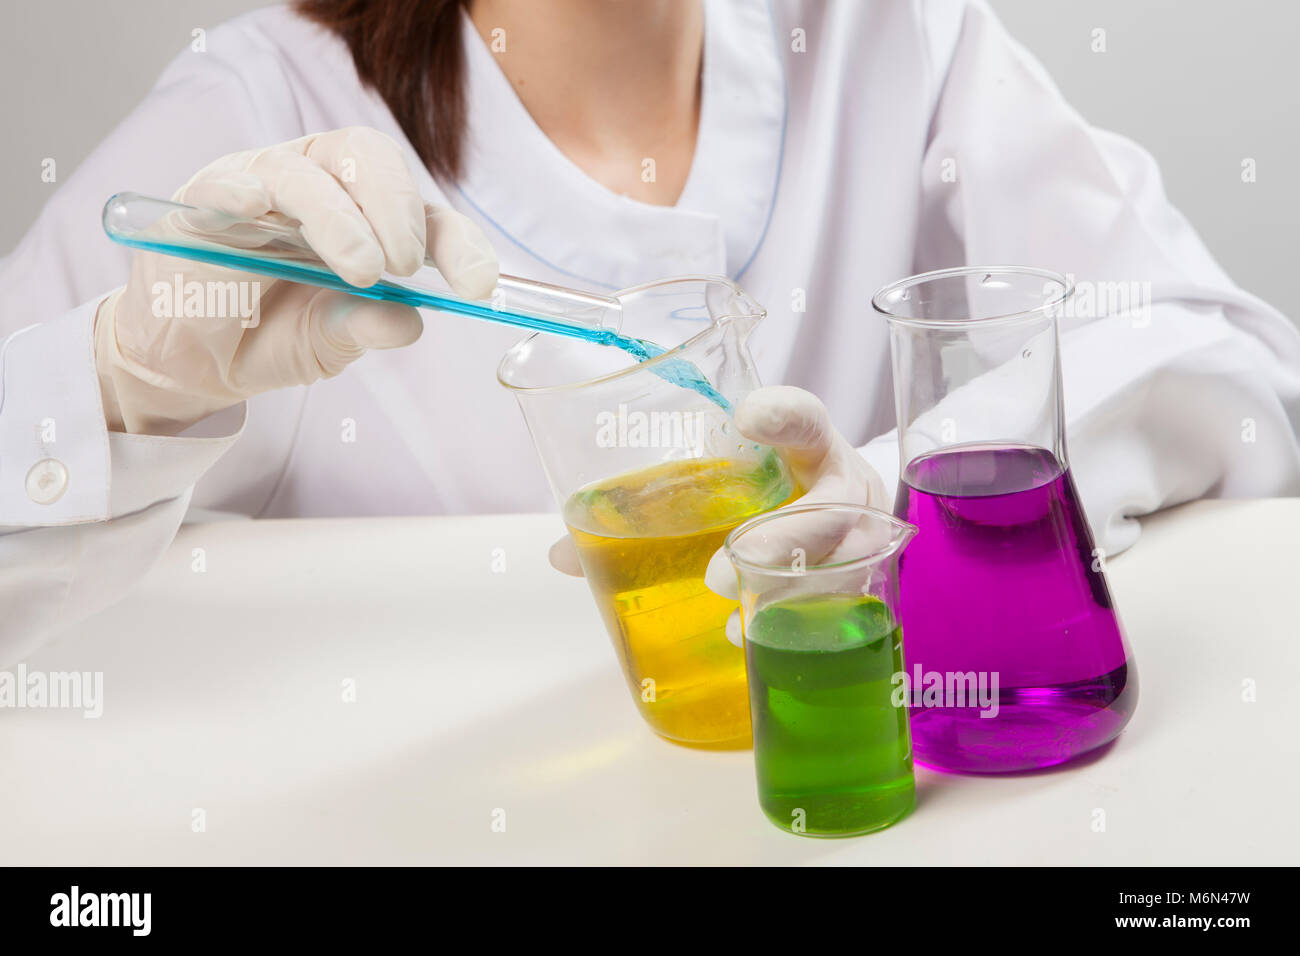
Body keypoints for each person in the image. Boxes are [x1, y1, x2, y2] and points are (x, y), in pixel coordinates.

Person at [1, 0, 1297, 664]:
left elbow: (1230, 368)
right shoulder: (257, 101)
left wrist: (908, 492)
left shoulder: (890, 31)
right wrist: (122, 380)